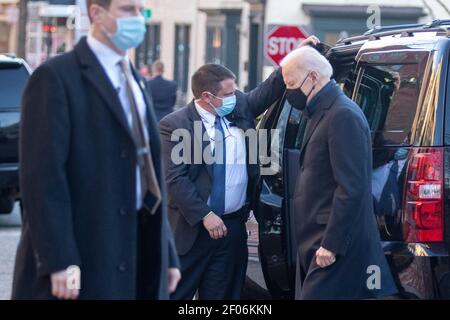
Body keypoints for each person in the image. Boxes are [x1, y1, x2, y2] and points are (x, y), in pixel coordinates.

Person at [12, 0, 180, 300]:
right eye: (128, 10)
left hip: (135, 249)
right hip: (83, 250)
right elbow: (42, 179)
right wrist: (59, 260)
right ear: (97, 14)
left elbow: (149, 174)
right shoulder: (56, 77)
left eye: (141, 11)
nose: (138, 19)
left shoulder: (137, 81)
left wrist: (166, 252)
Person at [280, 46, 398, 299]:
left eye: (291, 83)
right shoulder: (324, 111)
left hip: (334, 246)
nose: (289, 91)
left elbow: (352, 187)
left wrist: (331, 245)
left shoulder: (342, 115)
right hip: (318, 243)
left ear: (312, 77)